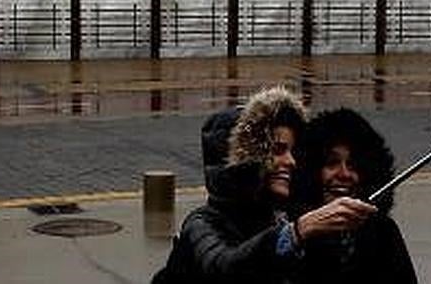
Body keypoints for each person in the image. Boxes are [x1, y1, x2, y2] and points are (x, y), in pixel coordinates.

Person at [153, 87, 376, 283]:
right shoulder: (201, 224)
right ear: (245, 161)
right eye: (278, 150)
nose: (291, 161)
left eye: (291, 151)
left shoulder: (278, 218)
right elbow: (224, 267)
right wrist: (297, 232)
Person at [293, 107, 418, 284]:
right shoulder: (295, 232)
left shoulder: (383, 232)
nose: (344, 174)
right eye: (332, 163)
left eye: (353, 165)